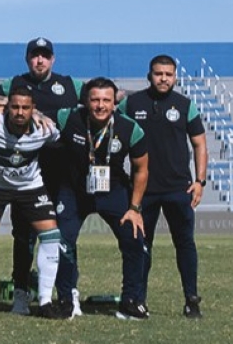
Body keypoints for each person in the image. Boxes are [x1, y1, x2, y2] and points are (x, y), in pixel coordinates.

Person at [0, 38, 82, 316]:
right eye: (34, 56)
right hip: (25, 177)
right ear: (27, 59)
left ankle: (68, 294)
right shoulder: (15, 82)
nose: (39, 61)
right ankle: (21, 293)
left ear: (53, 59)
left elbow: (100, 97)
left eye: (45, 56)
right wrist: (1, 104)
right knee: (24, 237)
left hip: (62, 176)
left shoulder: (69, 85)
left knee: (63, 238)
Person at [120, 55, 208, 318]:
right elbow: (114, 130)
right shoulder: (132, 103)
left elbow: (200, 144)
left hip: (178, 189)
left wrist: (200, 181)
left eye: (168, 74)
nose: (163, 79)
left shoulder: (185, 105)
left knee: (185, 244)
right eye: (158, 74)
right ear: (149, 75)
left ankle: (191, 299)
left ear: (175, 77)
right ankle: (137, 299)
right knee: (141, 246)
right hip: (142, 191)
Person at [54, 78, 149, 319]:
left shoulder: (130, 129)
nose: (100, 105)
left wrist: (135, 208)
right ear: (86, 100)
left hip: (114, 190)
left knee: (134, 240)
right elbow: (37, 115)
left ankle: (130, 300)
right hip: (74, 190)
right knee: (62, 241)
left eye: (106, 100)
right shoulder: (68, 117)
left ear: (115, 102)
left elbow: (141, 170)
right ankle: (67, 297)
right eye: (95, 99)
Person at [0, 85, 62, 319]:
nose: (20, 112)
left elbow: (60, 137)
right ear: (7, 107)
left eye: (25, 108)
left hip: (29, 187)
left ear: (33, 110)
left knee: (51, 236)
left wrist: (44, 118)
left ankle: (45, 301)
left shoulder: (44, 130)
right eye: (15, 107)